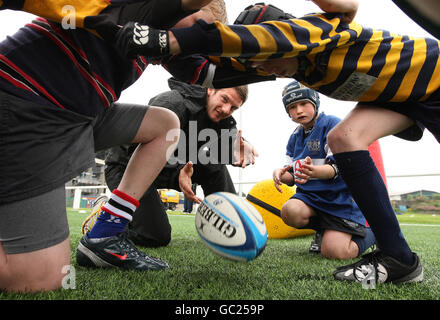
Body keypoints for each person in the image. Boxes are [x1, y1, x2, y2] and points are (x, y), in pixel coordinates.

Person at [112, 0, 431, 284]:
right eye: (257, 64)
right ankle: (399, 257)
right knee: (345, 138)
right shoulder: (291, 69)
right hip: (400, 96)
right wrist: (165, 49)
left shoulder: (314, 30)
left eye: (265, 56)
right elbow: (214, 70)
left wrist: (162, 39)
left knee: (340, 135)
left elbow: (257, 40)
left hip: (431, 75)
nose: (265, 67)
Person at [0, 0, 261, 293]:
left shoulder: (163, 42)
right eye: (196, 24)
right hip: (27, 104)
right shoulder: (127, 9)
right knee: (39, 278)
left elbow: (215, 73)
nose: (196, 38)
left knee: (165, 124)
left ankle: (104, 235)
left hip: (81, 117)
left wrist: (286, 54)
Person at [97, 78, 254, 247]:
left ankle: (228, 222)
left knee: (215, 166)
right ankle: (105, 210)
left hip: (177, 167)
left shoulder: (221, 119)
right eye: (224, 99)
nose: (226, 109)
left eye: (233, 108)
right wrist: (178, 171)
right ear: (210, 90)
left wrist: (239, 148)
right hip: (128, 166)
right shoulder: (171, 103)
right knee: (155, 237)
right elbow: (136, 151)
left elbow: (229, 143)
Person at [273, 80, 375, 260]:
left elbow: (338, 168)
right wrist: (281, 174)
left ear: (315, 102)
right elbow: (292, 174)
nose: (299, 110)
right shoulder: (295, 137)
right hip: (312, 199)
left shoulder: (332, 124)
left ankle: (374, 233)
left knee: (334, 252)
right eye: (292, 106)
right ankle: (322, 229)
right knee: (289, 211)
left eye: (304, 104)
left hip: (339, 199)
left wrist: (314, 171)